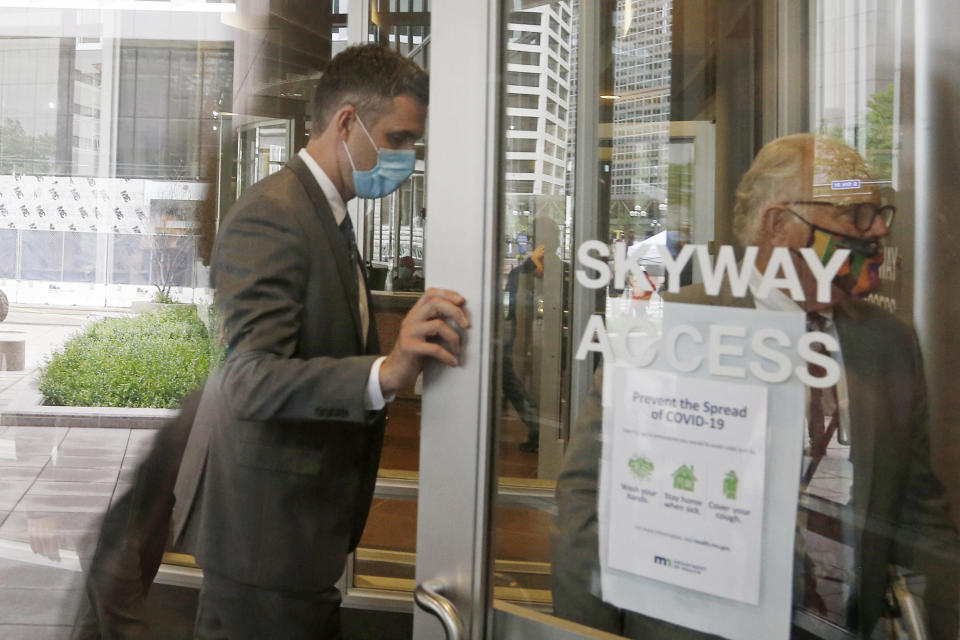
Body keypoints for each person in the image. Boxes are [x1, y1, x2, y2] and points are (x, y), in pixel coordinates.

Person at [553, 134, 959, 638]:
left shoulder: (890, 344)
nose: (876, 229)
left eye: (879, 213)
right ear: (778, 224)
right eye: (854, 213)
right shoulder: (673, 327)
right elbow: (588, 501)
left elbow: (919, 516)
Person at [187, 45, 469, 639]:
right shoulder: (274, 214)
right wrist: (383, 373)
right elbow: (247, 379)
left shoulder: (326, 214)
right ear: (346, 123)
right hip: (264, 548)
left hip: (297, 542)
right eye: (397, 139)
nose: (407, 158)